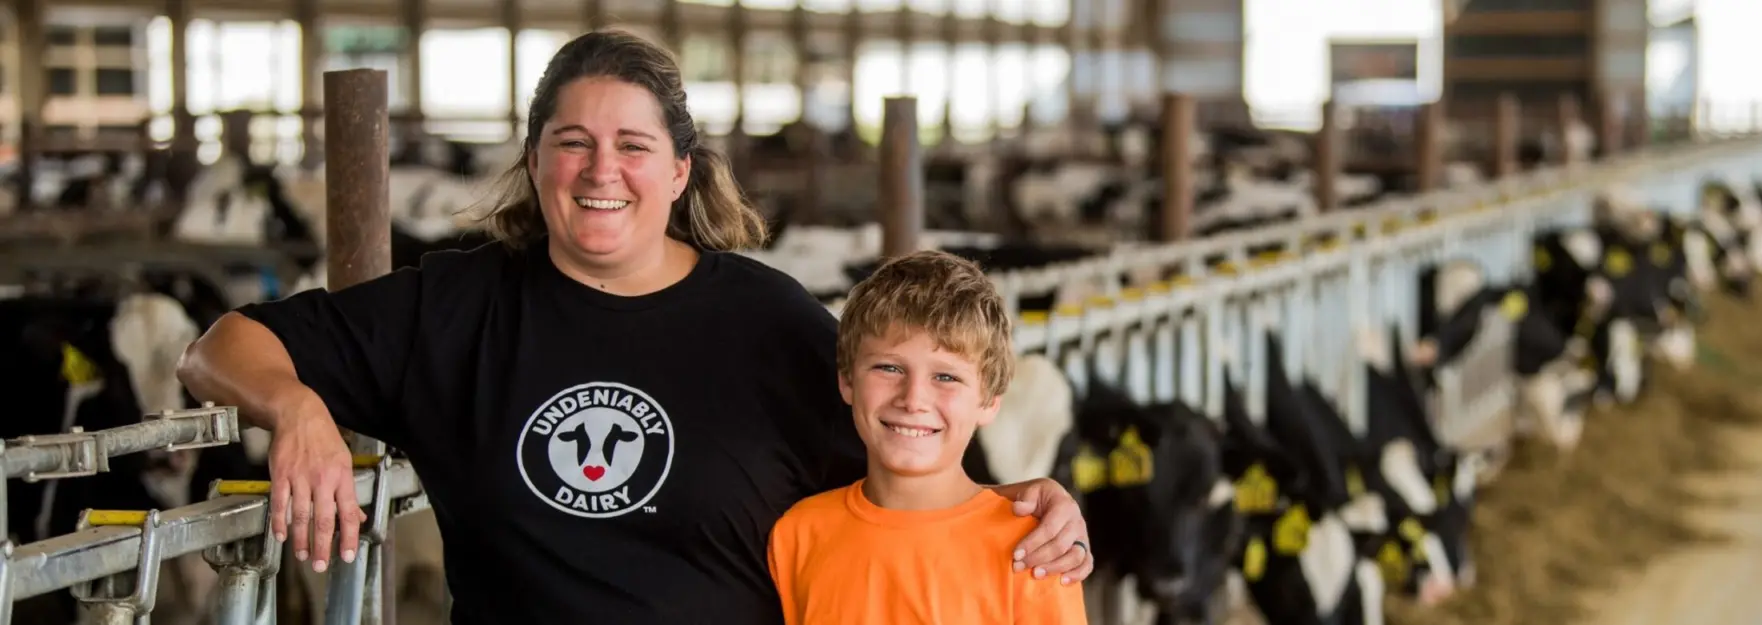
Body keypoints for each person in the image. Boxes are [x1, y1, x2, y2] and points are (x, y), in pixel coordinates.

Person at [175, 29, 1093, 624]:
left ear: (681, 171)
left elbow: (902, 459)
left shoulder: (767, 318)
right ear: (535, 161)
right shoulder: (456, 308)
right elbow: (219, 345)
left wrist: (1019, 507)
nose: (598, 169)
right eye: (571, 141)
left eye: (633, 145)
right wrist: (295, 409)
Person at [768, 251, 1088, 624]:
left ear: (988, 401)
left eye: (946, 377)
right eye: (888, 368)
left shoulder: (1035, 551)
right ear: (847, 380)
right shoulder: (797, 536)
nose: (913, 399)